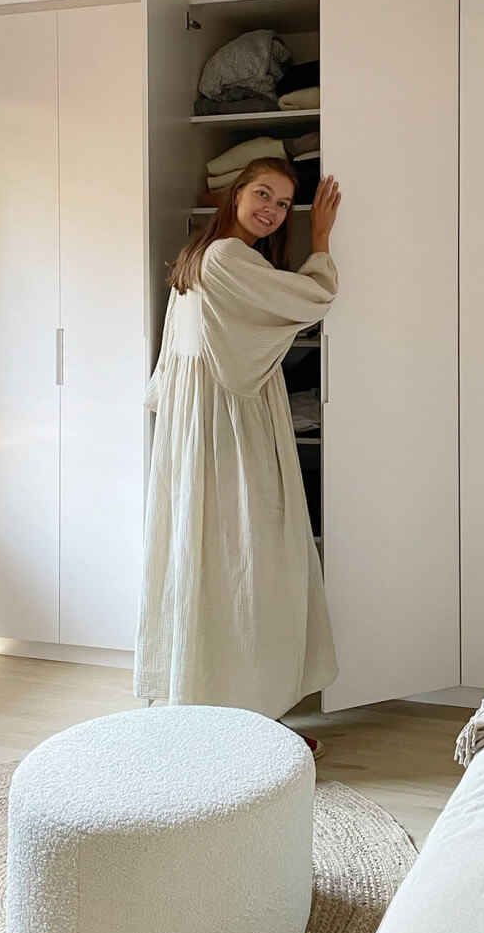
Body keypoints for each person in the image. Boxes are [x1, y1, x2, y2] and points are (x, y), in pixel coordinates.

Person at [135, 158, 343, 755]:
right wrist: (321, 241)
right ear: (236, 194)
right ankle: (251, 716)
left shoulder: (200, 255)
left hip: (200, 424)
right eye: (263, 194)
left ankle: (217, 706)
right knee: (252, 556)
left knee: (212, 559)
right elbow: (313, 297)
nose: (272, 210)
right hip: (228, 423)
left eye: (283, 203)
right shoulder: (228, 257)